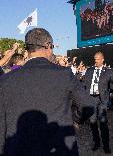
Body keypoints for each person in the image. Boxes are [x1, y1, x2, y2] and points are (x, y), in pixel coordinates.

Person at [0, 28, 95, 156]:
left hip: (18, 149)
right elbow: (88, 105)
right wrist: (76, 121)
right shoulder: (64, 75)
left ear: (28, 48)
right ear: (48, 46)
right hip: (59, 149)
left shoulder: (6, 79)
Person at [82, 52, 113, 154]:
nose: (96, 61)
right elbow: (84, 84)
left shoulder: (108, 71)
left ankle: (106, 146)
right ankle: (96, 143)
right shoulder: (89, 71)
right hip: (91, 99)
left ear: (102, 60)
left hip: (102, 99)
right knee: (93, 122)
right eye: (95, 59)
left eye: (98, 59)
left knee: (103, 123)